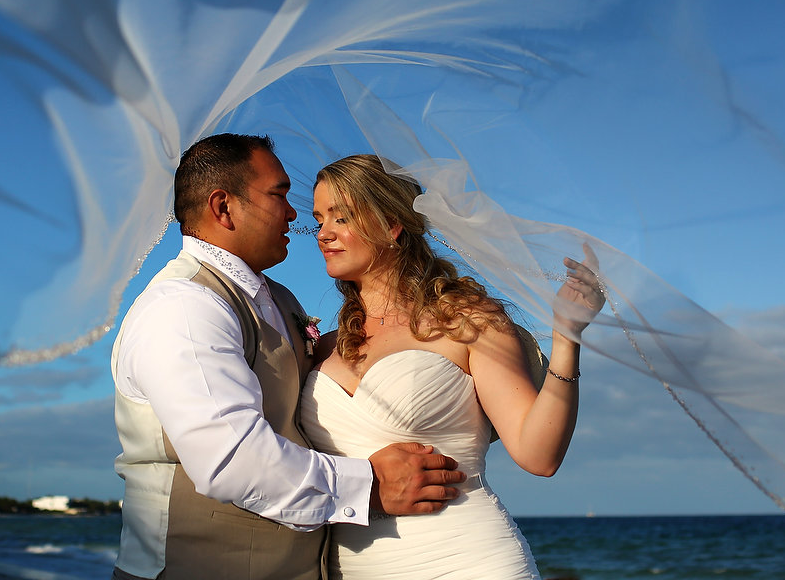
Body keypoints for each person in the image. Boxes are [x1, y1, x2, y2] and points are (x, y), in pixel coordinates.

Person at [110, 135, 467, 580]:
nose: (295, 214)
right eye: (278, 194)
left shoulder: (280, 301)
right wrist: (371, 485)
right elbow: (231, 461)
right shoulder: (184, 306)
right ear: (224, 207)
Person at [300, 154, 604, 580]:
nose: (323, 234)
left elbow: (540, 455)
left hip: (471, 561)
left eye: (341, 217)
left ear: (391, 224)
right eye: (318, 220)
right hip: (355, 567)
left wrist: (567, 338)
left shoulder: (468, 322)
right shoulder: (320, 348)